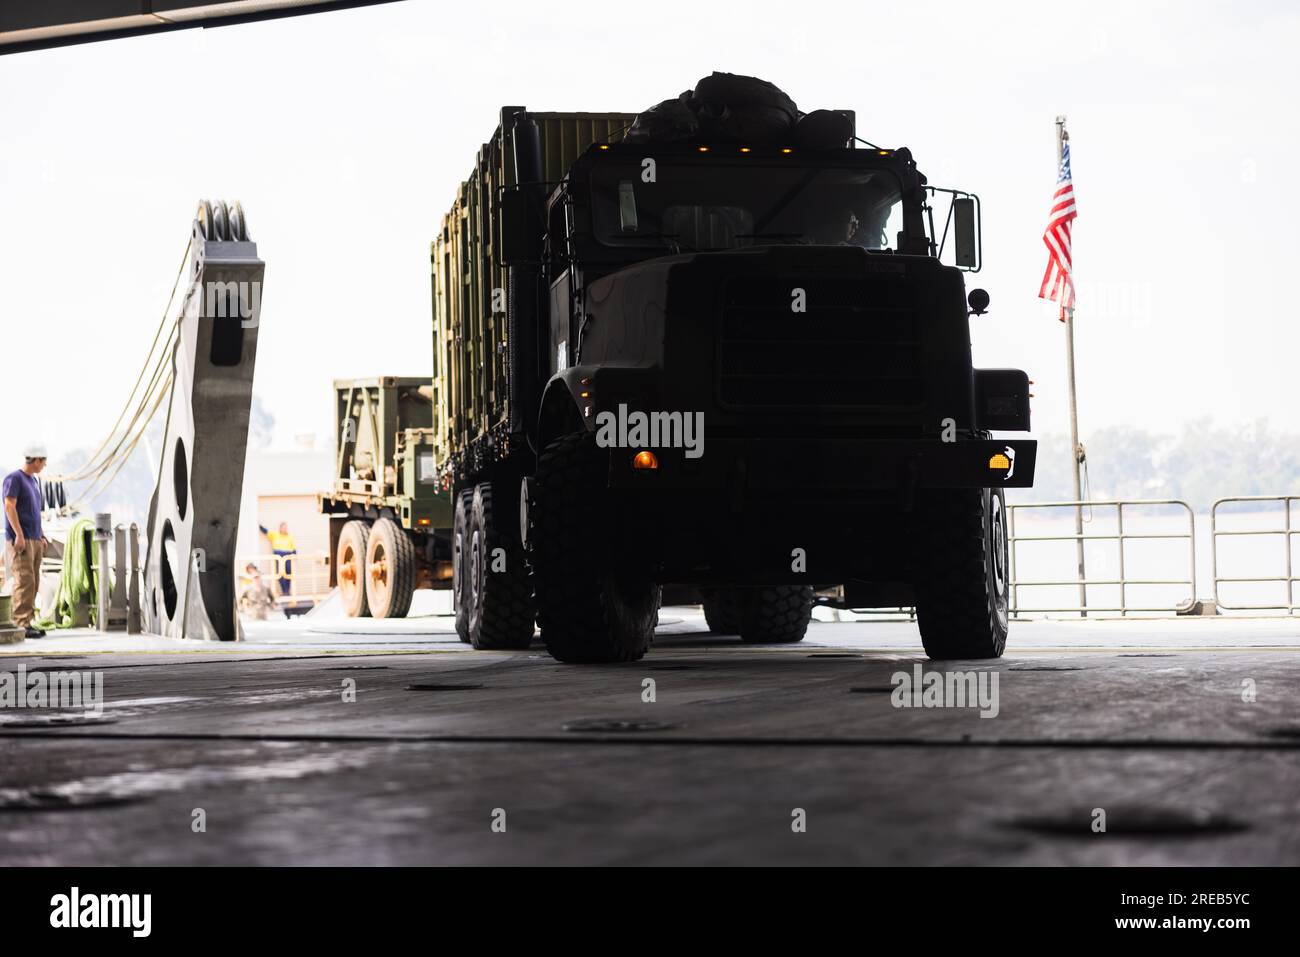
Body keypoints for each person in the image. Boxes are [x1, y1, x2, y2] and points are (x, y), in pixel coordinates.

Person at [3, 444, 51, 639]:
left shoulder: (33, 481)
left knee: (33, 581)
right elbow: (9, 506)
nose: (44, 465)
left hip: (34, 538)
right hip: (21, 539)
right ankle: (21, 623)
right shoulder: (14, 478)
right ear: (36, 460)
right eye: (43, 462)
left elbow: (33, 512)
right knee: (24, 580)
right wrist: (19, 535)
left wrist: (41, 535)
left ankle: (28, 621)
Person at [259, 521, 297, 596]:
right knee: (280, 574)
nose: (285, 529)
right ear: (280, 528)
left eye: (286, 527)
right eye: (283, 527)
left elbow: (294, 549)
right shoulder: (275, 535)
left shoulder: (289, 537)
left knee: (288, 574)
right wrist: (258, 524)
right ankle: (284, 591)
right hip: (278, 557)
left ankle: (287, 591)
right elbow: (265, 531)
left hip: (287, 557)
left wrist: (294, 556)